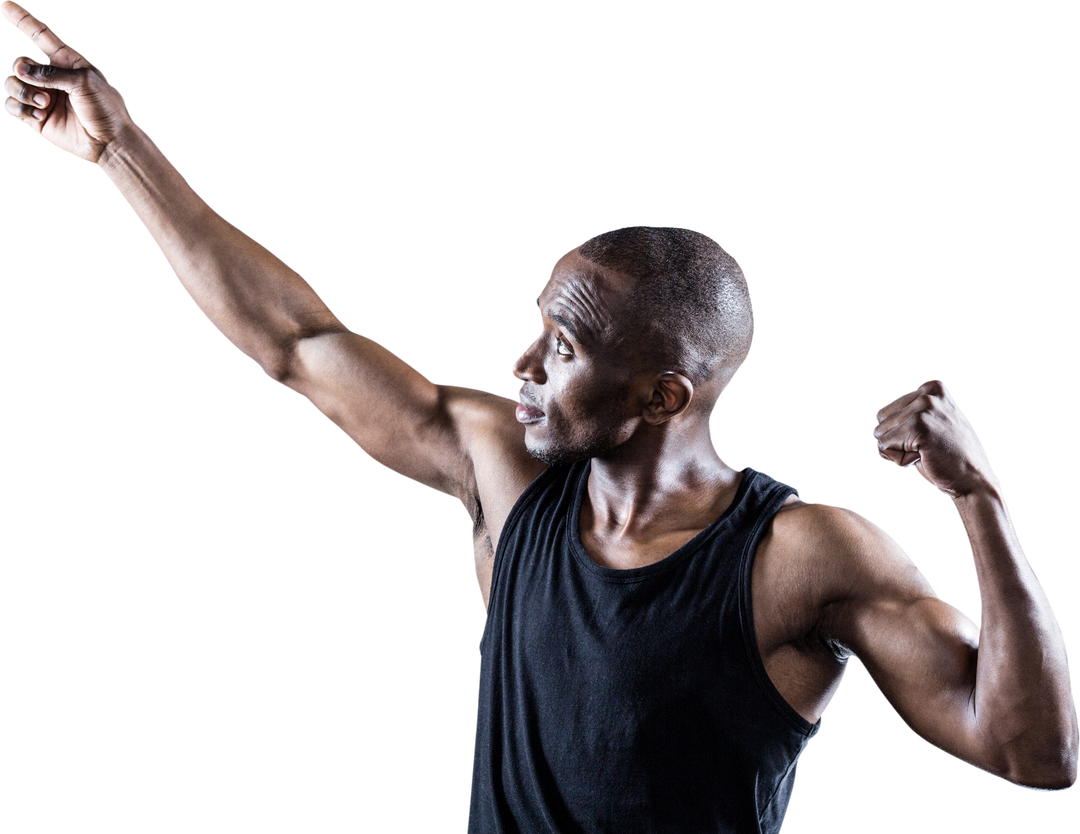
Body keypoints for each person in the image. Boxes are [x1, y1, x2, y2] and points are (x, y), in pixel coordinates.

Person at [3, 3, 1076, 830]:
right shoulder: (506, 470)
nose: (521, 364)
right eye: (536, 330)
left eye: (562, 349)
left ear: (666, 395)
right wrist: (120, 150)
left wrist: (980, 501)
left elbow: (1034, 753)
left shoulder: (800, 554)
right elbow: (299, 347)